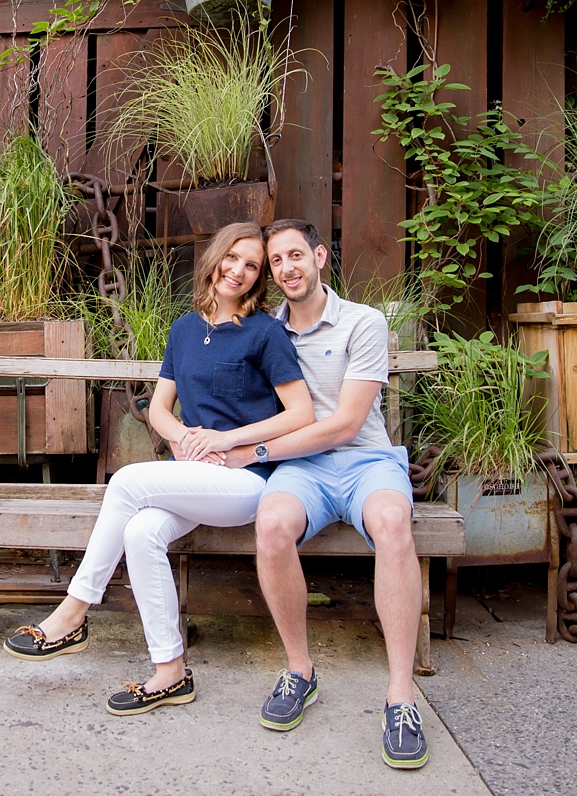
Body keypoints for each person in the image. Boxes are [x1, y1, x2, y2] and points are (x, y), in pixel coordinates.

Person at [4, 222, 315, 717]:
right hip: (191, 472)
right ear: (214, 258)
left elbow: (301, 413)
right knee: (142, 532)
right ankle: (170, 671)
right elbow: (159, 408)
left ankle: (74, 612)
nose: (238, 271)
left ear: (259, 278)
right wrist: (182, 437)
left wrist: (225, 439)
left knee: (126, 481)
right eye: (232, 258)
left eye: (252, 266)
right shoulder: (185, 328)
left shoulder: (266, 333)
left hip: (245, 481)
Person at [215, 219, 429, 768]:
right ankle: (299, 671)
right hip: (301, 469)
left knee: (392, 524)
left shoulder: (363, 322)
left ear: (319, 257)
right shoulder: (265, 331)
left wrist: (255, 454)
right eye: (276, 261)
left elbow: (346, 425)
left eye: (295, 256)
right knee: (271, 525)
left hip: (365, 462)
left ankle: (401, 698)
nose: (286, 268)